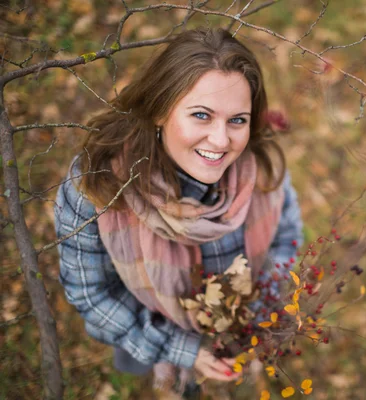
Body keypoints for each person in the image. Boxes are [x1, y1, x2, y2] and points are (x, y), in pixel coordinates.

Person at [53, 28, 303, 398]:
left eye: (237, 120)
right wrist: (185, 350)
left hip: (239, 330)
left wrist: (256, 314)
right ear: (159, 110)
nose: (221, 141)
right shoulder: (97, 186)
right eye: (201, 115)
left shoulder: (261, 169)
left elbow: (286, 237)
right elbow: (91, 294)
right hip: (156, 335)